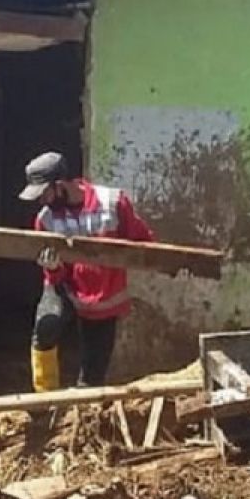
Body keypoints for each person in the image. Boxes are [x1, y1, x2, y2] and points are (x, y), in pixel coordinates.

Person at [19, 151, 155, 391]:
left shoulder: (112, 203)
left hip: (102, 300)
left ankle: (84, 416)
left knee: (92, 376)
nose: (41, 201)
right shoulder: (46, 220)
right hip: (66, 288)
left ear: (60, 185)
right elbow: (55, 276)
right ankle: (44, 401)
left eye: (44, 194)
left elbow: (144, 243)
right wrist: (54, 267)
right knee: (45, 329)